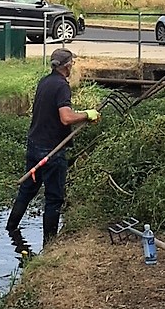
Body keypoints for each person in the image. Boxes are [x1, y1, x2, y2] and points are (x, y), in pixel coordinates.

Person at [6, 48, 101, 246]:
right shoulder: (61, 86)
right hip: (52, 150)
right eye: (72, 63)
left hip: (34, 144)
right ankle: (49, 244)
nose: (72, 66)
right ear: (67, 66)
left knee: (27, 190)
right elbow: (66, 118)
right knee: (53, 198)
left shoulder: (45, 81)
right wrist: (86, 114)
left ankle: (11, 228)